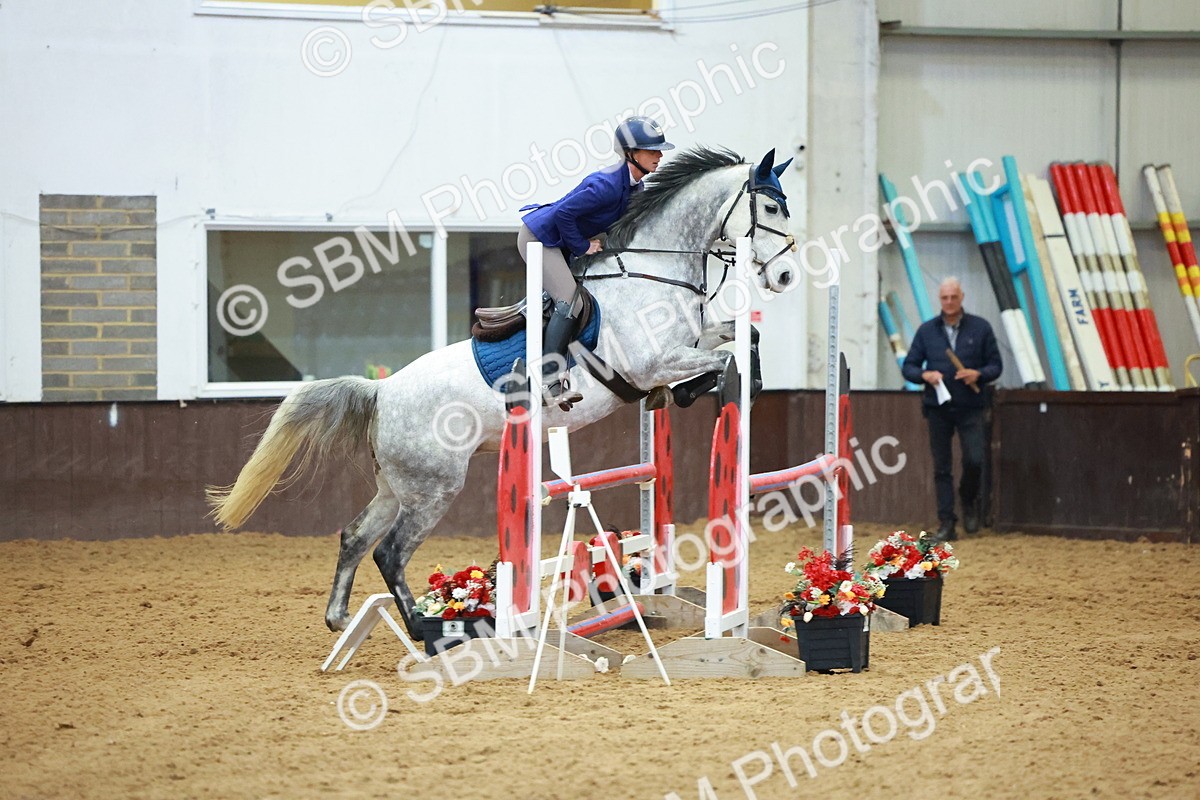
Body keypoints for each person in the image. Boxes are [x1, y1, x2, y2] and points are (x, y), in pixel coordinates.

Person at [517, 115, 674, 408]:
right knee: (571, 301)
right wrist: (583, 246)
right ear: (631, 154)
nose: (660, 155)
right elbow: (563, 214)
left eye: (659, 150)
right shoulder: (606, 185)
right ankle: (549, 381)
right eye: (652, 150)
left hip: (560, 242)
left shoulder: (634, 188)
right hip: (540, 239)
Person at [901, 277, 1002, 541]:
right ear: (940, 299)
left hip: (971, 407)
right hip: (938, 409)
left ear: (962, 297)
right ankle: (947, 522)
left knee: (975, 460)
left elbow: (996, 366)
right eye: (944, 298)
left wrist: (977, 374)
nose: (949, 302)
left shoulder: (981, 328)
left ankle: (968, 500)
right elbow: (909, 367)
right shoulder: (926, 331)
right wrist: (925, 376)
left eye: (953, 297)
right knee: (941, 467)